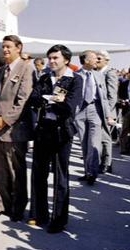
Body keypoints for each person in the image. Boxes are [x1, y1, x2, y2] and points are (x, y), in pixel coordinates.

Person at [28, 44, 83, 234]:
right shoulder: (44, 77)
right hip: (43, 130)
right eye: (49, 58)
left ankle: (58, 219)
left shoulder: (75, 79)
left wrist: (49, 100)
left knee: (60, 176)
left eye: (55, 58)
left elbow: (69, 106)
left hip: (62, 132)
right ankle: (38, 213)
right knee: (38, 173)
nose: (51, 61)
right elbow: (33, 100)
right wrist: (51, 99)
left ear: (66, 60)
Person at [0, 35, 33, 222]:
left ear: (18, 48)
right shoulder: (2, 70)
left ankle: (18, 207)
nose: (5, 50)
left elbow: (23, 100)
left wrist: (4, 120)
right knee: (0, 170)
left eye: (8, 47)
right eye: (3, 47)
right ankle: (2, 204)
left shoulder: (26, 69)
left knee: (16, 171)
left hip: (15, 130)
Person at [75, 50, 113, 185]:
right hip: (79, 112)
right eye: (94, 58)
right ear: (86, 60)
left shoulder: (99, 75)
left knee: (94, 144)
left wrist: (108, 115)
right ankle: (87, 172)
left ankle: (93, 173)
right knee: (84, 144)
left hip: (95, 110)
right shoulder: (76, 76)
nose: (97, 60)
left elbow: (104, 97)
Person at [96, 50, 118, 173]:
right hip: (98, 111)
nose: (96, 61)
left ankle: (106, 163)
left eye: (99, 59)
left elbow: (112, 95)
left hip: (107, 112)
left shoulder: (110, 73)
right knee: (99, 139)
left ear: (106, 60)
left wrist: (108, 113)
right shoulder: (97, 73)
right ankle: (102, 161)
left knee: (105, 139)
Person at [117, 71, 130, 154]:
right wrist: (121, 101)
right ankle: (123, 149)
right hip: (127, 109)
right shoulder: (124, 83)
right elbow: (119, 95)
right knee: (125, 129)